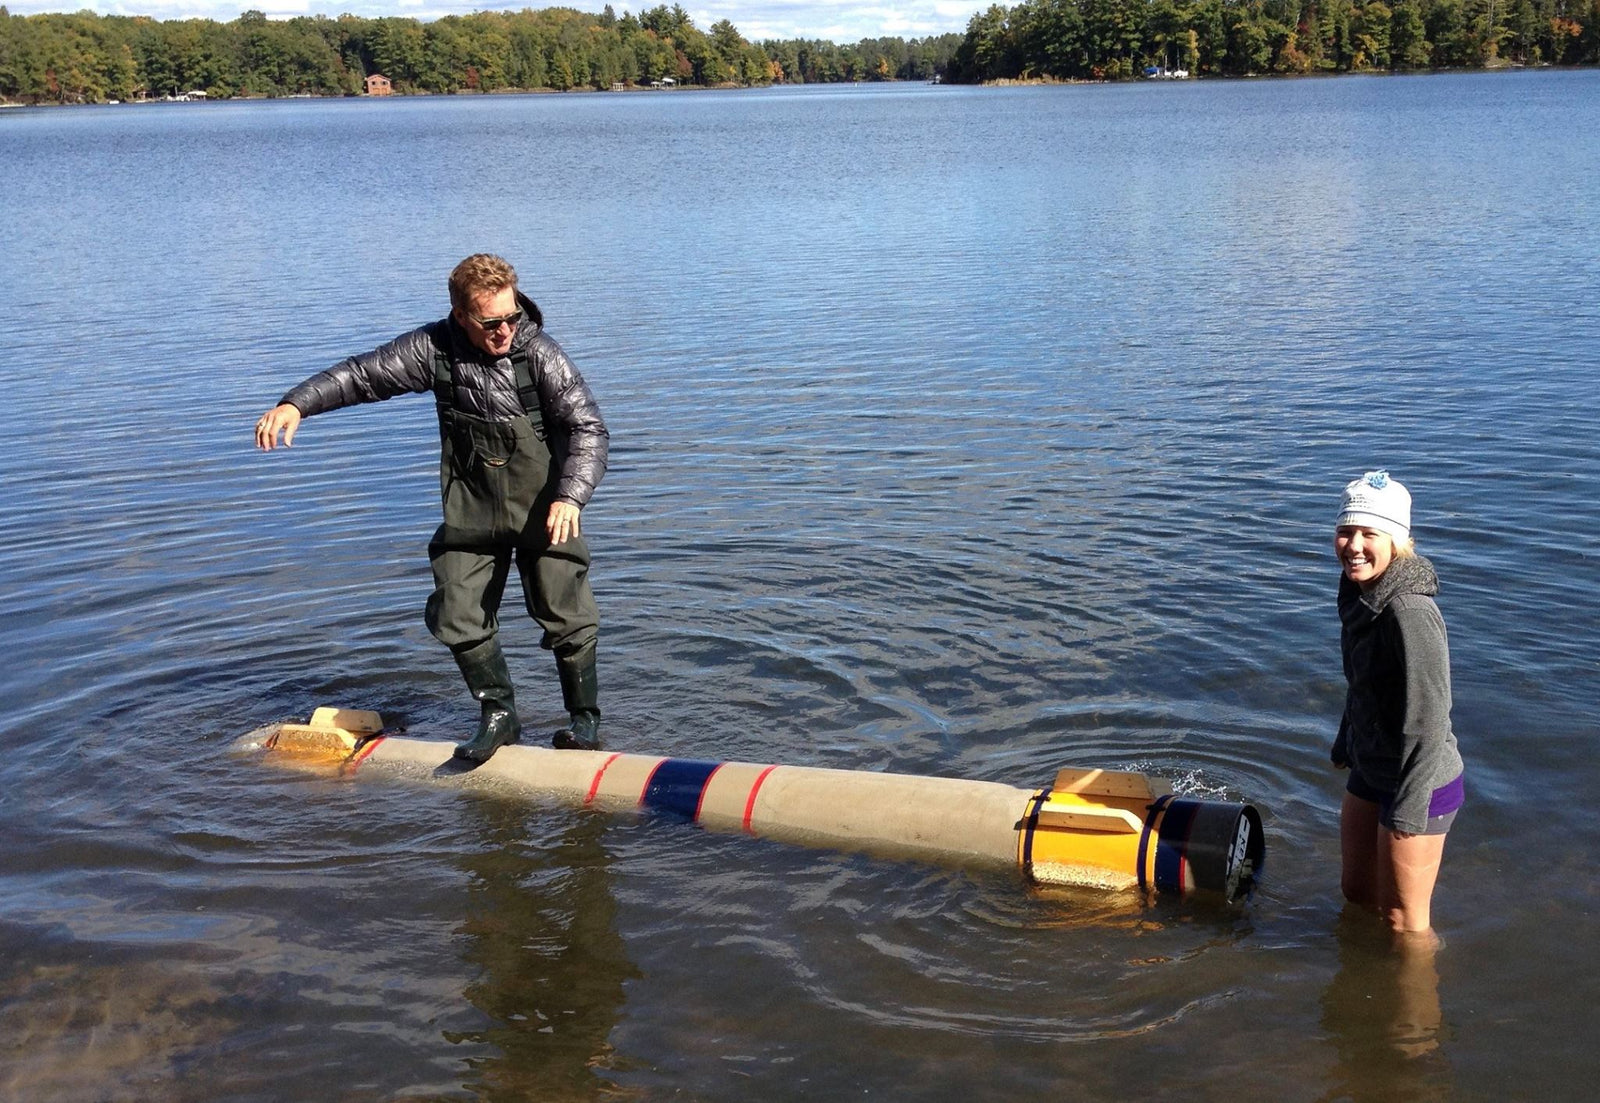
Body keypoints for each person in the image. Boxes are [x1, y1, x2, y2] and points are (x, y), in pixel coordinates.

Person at [255, 254, 609, 762]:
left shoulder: (542, 355)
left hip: (547, 507)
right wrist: (296, 403)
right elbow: (361, 376)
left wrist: (571, 495)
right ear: (461, 315)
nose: (506, 330)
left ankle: (584, 723)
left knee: (567, 613)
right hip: (474, 508)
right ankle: (499, 715)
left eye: (512, 317)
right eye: (492, 323)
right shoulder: (432, 349)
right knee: (456, 610)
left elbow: (589, 429)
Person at [1331, 470, 1464, 936]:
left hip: (1420, 781)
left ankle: (1413, 1007)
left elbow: (1430, 721)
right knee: (1357, 891)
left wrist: (1408, 812)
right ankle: (1363, 977)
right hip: (1374, 764)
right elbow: (1363, 682)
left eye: (1370, 533)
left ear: (1397, 541)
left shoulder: (1409, 612)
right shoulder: (1359, 592)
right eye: (1346, 531)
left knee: (1403, 920)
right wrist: (1346, 738)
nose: (1354, 545)